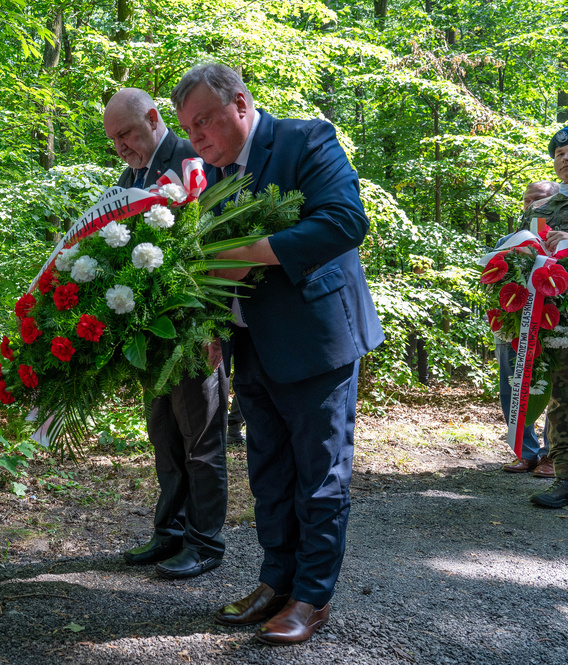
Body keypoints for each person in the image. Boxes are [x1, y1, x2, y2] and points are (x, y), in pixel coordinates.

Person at [172, 63, 384, 644]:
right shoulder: (209, 177)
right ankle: (276, 581)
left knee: (319, 475)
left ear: (240, 104)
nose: (197, 139)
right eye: (189, 130)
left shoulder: (305, 139)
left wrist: (254, 252)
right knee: (268, 472)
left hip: (317, 341)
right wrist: (211, 325)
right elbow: (211, 265)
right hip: (251, 346)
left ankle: (311, 597)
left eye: (204, 123)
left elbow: (344, 221)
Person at [103, 88, 229, 579]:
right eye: (114, 139)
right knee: (164, 438)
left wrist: (214, 329)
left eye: (127, 134)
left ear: (154, 119)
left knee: (200, 442)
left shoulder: (193, 160)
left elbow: (217, 251)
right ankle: (170, 532)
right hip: (152, 336)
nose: (121, 147)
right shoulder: (129, 176)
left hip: (195, 332)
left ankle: (204, 542)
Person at [498, 181, 559, 478]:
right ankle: (525, 452)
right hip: (513, 327)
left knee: (554, 389)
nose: (532, 205)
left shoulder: (561, 239)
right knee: (513, 385)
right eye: (527, 200)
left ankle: (551, 455)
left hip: (554, 326)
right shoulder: (512, 238)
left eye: (539, 199)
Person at [528, 126, 568, 508]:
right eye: (560, 153)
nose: (566, 158)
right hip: (558, 321)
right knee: (561, 400)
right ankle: (565, 479)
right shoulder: (541, 211)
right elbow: (521, 260)